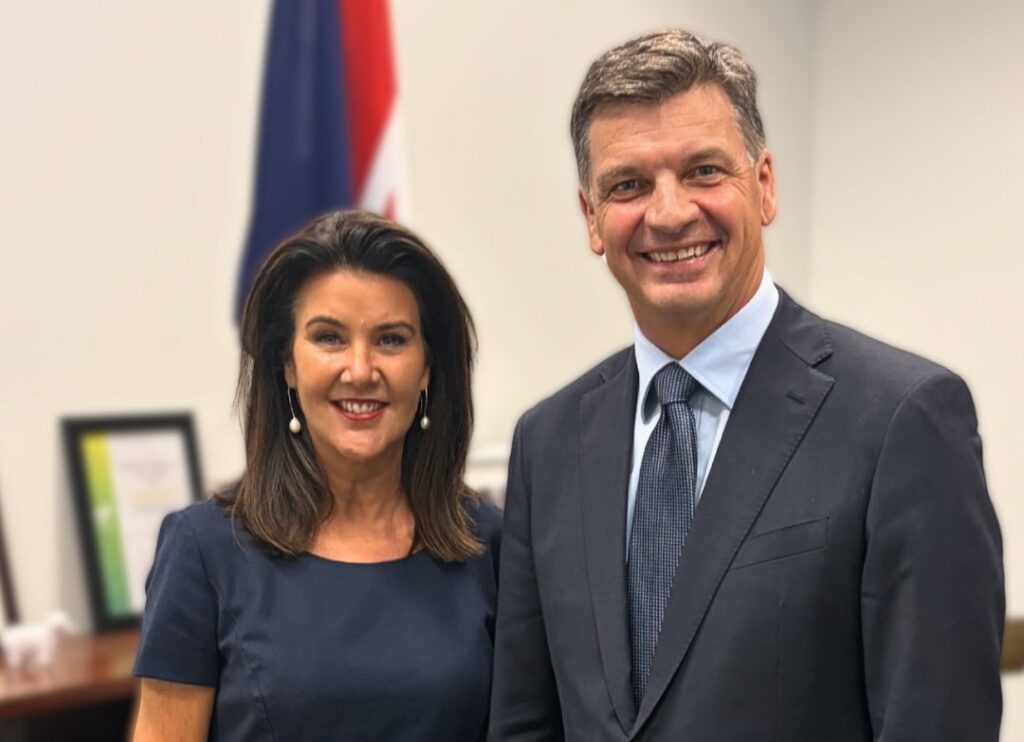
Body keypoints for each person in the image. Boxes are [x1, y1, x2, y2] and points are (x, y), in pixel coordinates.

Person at [489, 29, 1003, 741]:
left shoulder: (901, 421)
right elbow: (524, 723)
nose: (668, 213)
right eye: (629, 185)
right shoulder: (547, 442)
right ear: (592, 219)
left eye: (703, 171)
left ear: (763, 185)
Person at [133, 210, 501, 741]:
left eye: (391, 340)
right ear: (287, 362)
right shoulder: (204, 549)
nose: (360, 369)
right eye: (329, 337)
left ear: (428, 368)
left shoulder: (490, 545)